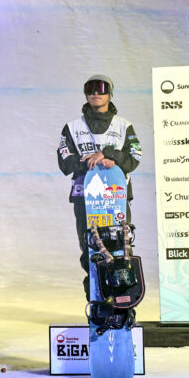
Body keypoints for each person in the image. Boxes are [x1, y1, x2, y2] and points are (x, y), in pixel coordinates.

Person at [57, 74, 142, 301]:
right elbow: (64, 163)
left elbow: (134, 158)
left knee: (120, 245)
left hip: (116, 197)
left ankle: (123, 304)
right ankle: (96, 301)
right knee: (91, 248)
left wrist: (110, 154)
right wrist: (92, 160)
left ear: (110, 94)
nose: (95, 93)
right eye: (90, 89)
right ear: (86, 94)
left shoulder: (124, 126)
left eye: (101, 89)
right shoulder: (73, 127)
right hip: (85, 197)